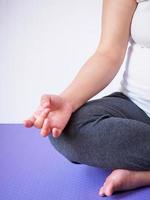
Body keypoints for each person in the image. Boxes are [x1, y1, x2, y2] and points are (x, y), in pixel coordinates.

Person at [23, 0, 150, 197]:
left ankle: (146, 174)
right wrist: (67, 101)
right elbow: (108, 53)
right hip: (136, 107)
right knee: (66, 131)